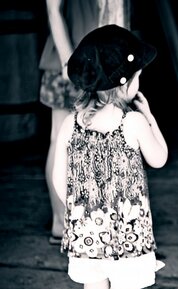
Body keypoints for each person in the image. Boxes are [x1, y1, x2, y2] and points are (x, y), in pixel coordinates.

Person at [52, 24, 167, 289]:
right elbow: (160, 158)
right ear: (127, 83)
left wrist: (78, 213)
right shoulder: (132, 122)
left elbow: (58, 179)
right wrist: (150, 117)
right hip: (129, 236)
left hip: (86, 233)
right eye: (137, 75)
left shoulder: (71, 123)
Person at [40, 0, 130, 244]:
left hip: (105, 66)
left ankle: (99, 217)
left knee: (107, 135)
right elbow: (53, 9)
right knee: (61, 139)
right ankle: (61, 220)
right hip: (72, 64)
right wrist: (69, 62)